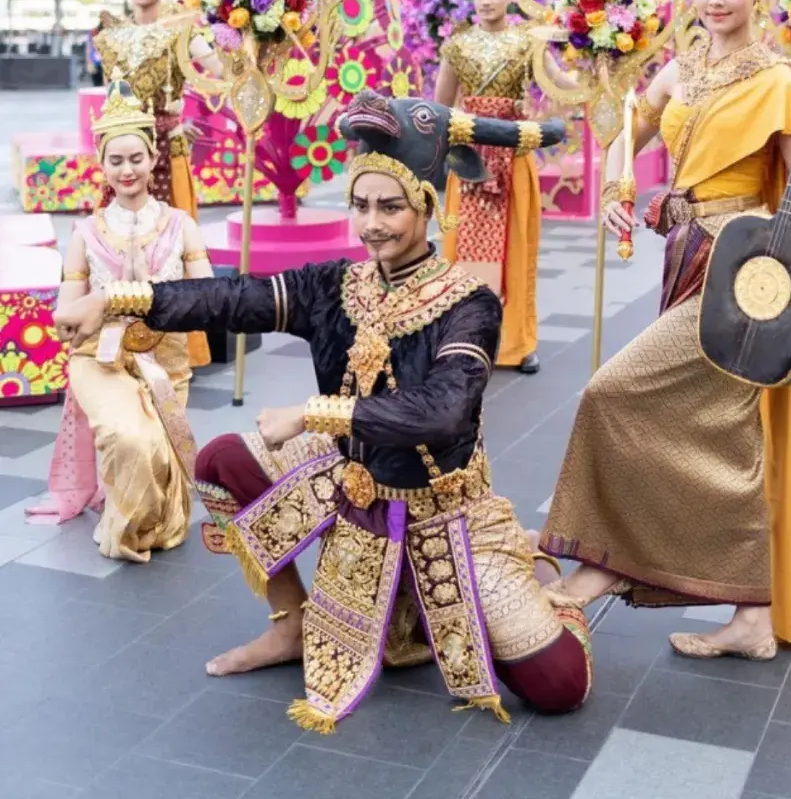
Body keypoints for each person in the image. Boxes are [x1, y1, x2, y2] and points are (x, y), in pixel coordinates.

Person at [53, 90, 593, 730]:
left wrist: (313, 414)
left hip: (443, 510)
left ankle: (530, 572)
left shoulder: (468, 302)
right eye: (360, 206)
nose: (373, 225)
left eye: (391, 207)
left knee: (559, 686)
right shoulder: (336, 284)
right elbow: (233, 298)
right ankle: (292, 622)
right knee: (222, 458)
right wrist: (117, 298)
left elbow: (442, 412)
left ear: (426, 206)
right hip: (351, 485)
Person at [539, 0, 791, 658]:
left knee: (610, 392)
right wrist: (619, 186)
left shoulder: (779, 83)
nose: (714, 0)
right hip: (683, 255)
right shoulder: (679, 70)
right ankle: (753, 617)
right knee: (725, 433)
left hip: (741, 274)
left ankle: (601, 564)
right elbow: (624, 135)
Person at [26, 80, 212, 560]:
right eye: (115, 160)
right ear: (102, 166)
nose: (127, 170)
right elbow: (65, 320)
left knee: (158, 449)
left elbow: (211, 300)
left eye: (136, 158)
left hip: (164, 364)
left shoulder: (181, 226)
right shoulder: (85, 234)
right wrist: (102, 302)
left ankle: (148, 522)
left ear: (154, 159)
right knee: (130, 438)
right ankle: (125, 531)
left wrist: (149, 292)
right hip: (100, 361)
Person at [436, 0, 575, 374]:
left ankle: (515, 344)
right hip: (470, 160)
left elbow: (563, 85)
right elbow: (439, 107)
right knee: (463, 251)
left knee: (517, 252)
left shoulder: (527, 42)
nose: (485, 1)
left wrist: (601, 66)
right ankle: (463, 341)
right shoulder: (457, 45)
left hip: (513, 157)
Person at [94, 0, 219, 367]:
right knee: (116, 236)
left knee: (169, 243)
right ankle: (119, 324)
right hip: (122, 149)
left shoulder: (181, 28)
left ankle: (174, 336)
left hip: (164, 149)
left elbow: (222, 71)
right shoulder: (113, 33)